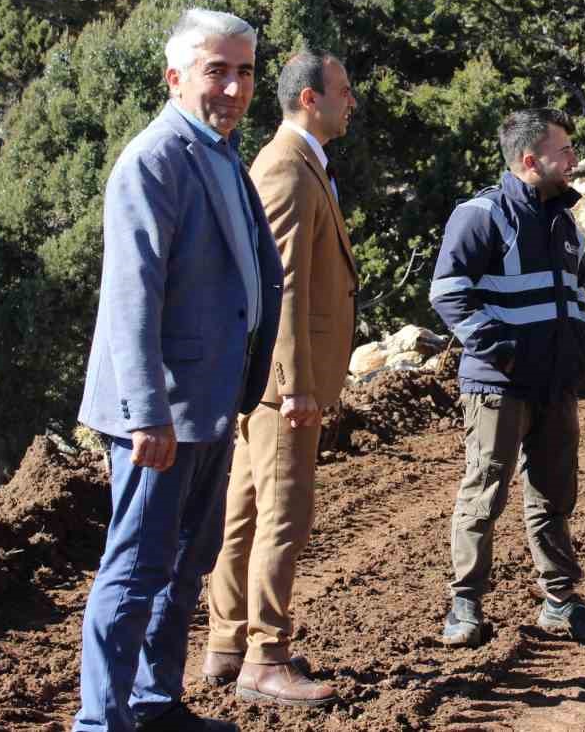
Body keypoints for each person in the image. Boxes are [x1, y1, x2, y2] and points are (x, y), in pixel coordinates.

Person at [73, 8, 282, 732]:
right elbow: (132, 297)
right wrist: (144, 413)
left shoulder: (221, 154)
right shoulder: (154, 160)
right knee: (134, 569)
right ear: (175, 78)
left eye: (245, 71)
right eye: (216, 70)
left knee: (186, 566)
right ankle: (102, 721)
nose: (232, 86)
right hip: (160, 411)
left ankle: (155, 704)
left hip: (213, 400)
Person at [427, 108, 585, 647]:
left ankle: (560, 604)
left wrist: (582, 347)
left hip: (556, 384)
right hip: (498, 385)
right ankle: (464, 607)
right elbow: (446, 293)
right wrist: (504, 352)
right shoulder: (481, 215)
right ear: (531, 160)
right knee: (484, 492)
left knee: (554, 494)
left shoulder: (563, 218)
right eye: (564, 150)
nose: (573, 159)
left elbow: (570, 294)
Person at [203, 51, 359, 707]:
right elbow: (283, 284)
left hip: (270, 380)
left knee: (244, 513)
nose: (352, 102)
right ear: (308, 100)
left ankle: (225, 644)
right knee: (283, 516)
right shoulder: (289, 170)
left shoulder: (298, 165)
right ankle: (266, 657)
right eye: (344, 91)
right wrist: (295, 382)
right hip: (283, 385)